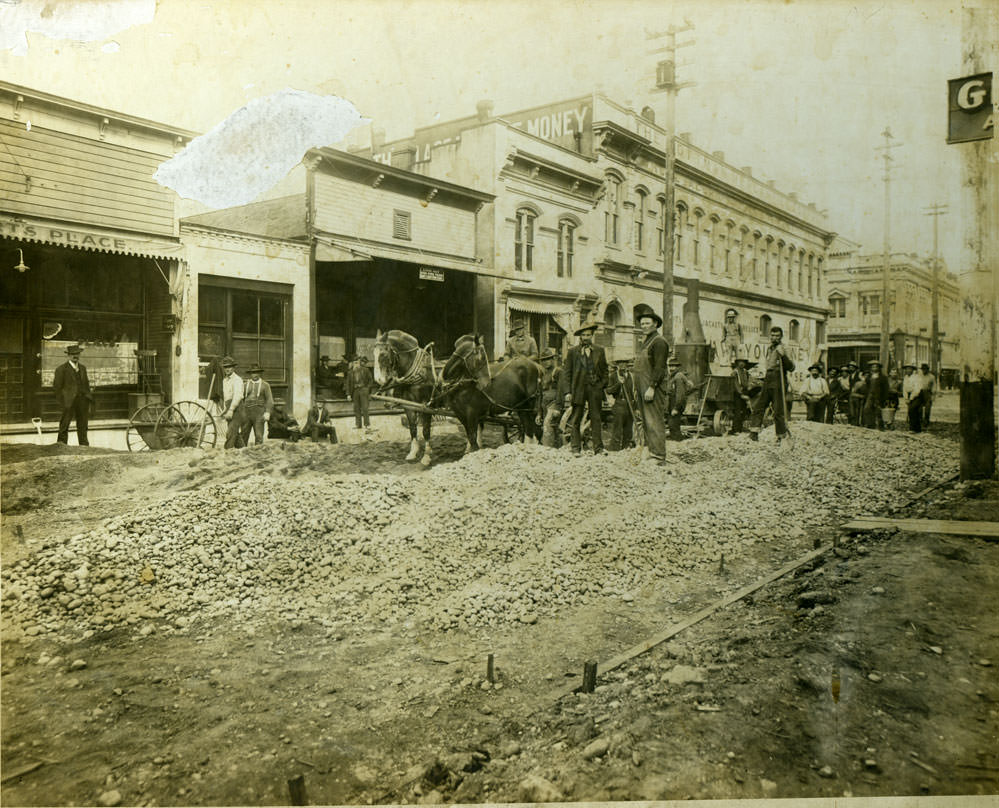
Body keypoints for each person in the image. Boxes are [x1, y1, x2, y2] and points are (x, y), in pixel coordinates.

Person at [632, 304, 670, 462]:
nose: (644, 326)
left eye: (647, 323)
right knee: (647, 421)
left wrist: (652, 387)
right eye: (642, 324)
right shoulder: (647, 341)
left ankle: (659, 455)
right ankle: (652, 451)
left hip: (652, 387)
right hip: (643, 387)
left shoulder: (659, 342)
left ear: (655, 324)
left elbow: (659, 368)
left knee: (654, 420)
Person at [565, 319, 608, 455]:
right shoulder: (573, 352)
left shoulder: (600, 351)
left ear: (592, 335)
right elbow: (567, 373)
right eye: (583, 335)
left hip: (594, 389)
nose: (585, 338)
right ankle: (575, 448)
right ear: (580, 336)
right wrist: (567, 391)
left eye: (588, 335)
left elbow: (605, 371)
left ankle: (599, 448)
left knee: (596, 418)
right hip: (578, 389)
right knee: (576, 418)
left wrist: (601, 386)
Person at [749, 326, 795, 442]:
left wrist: (783, 355)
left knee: (778, 410)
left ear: (781, 337)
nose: (774, 338)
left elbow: (791, 367)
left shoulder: (784, 348)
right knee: (759, 406)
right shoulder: (769, 348)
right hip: (768, 378)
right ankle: (754, 433)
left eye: (777, 336)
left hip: (778, 378)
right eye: (773, 335)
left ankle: (781, 436)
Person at [52, 344, 93, 446]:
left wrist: (87, 396)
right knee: (64, 425)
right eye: (73, 354)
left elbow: (86, 384)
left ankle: (84, 447)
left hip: (82, 401)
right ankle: (61, 446)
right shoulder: (61, 369)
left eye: (77, 354)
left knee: (83, 425)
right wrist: (63, 402)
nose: (76, 356)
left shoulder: (83, 368)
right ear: (68, 355)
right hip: (68, 402)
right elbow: (57, 388)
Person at [236, 364, 274, 446]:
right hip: (246, 413)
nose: (255, 375)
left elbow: (269, 400)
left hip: (259, 414)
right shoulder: (245, 385)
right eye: (253, 373)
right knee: (244, 434)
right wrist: (240, 412)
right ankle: (243, 453)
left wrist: (267, 412)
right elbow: (240, 399)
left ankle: (258, 455)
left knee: (259, 435)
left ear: (260, 373)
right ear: (250, 374)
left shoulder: (265, 385)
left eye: (257, 372)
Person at [606, 358, 636, 451]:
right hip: (619, 403)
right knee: (617, 427)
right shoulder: (613, 376)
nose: (622, 366)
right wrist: (619, 384)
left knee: (628, 427)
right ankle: (615, 448)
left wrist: (636, 407)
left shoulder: (631, 376)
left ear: (627, 365)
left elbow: (635, 392)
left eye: (624, 363)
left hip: (630, 405)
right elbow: (609, 390)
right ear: (617, 365)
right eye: (620, 364)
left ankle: (626, 447)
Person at [537, 349, 563, 446]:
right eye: (543, 360)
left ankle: (548, 449)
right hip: (544, 404)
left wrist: (557, 407)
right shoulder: (542, 373)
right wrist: (539, 413)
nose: (546, 362)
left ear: (553, 359)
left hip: (553, 403)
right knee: (542, 427)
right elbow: (540, 393)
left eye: (548, 359)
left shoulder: (558, 372)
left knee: (547, 425)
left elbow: (561, 391)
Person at [219, 356, 245, 449]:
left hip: (237, 409)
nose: (227, 369)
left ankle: (227, 453)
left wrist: (231, 410)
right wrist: (225, 410)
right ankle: (244, 452)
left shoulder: (237, 380)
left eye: (229, 367)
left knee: (230, 433)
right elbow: (227, 398)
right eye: (225, 367)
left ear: (233, 368)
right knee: (235, 434)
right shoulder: (224, 381)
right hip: (229, 408)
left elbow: (237, 396)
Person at [665, 357, 692, 441]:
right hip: (671, 403)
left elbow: (680, 395)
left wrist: (676, 408)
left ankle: (678, 442)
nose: (671, 368)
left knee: (673, 425)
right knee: (672, 425)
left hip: (675, 403)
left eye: (674, 366)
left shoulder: (678, 377)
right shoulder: (672, 377)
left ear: (677, 367)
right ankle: (676, 441)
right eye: (670, 366)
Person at [731, 356, 761, 434]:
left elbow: (748, 382)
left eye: (744, 362)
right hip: (737, 393)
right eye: (740, 362)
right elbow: (735, 384)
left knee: (744, 411)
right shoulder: (735, 372)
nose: (742, 364)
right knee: (738, 410)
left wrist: (751, 387)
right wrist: (741, 394)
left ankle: (741, 428)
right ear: (737, 363)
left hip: (744, 391)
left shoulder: (745, 372)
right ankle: (736, 429)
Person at [346, 355, 375, 429]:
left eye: (357, 362)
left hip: (363, 390)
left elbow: (371, 380)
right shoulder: (350, 373)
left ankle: (367, 424)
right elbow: (348, 384)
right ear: (353, 363)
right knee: (356, 408)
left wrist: (367, 389)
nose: (356, 364)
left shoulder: (366, 370)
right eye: (354, 363)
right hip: (355, 391)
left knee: (365, 408)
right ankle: (358, 425)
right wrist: (348, 394)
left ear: (359, 363)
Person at [862, 359, 890, 430]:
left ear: (879, 368)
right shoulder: (868, 377)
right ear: (870, 368)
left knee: (878, 411)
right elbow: (867, 387)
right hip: (870, 396)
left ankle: (881, 427)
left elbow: (886, 389)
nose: (874, 368)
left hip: (879, 396)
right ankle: (870, 425)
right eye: (873, 367)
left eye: (876, 367)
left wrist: (885, 398)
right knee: (867, 409)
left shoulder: (883, 377)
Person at [902, 363, 923, 432]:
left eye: (910, 369)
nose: (908, 370)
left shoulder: (917, 377)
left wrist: (911, 398)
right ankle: (915, 428)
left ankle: (914, 428)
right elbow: (904, 388)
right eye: (907, 369)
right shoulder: (905, 377)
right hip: (909, 395)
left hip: (917, 395)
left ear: (912, 370)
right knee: (910, 411)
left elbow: (917, 389)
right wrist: (906, 398)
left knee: (913, 410)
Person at [917, 363, 937, 428]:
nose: (924, 371)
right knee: (919, 408)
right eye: (923, 369)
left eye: (925, 369)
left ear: (928, 370)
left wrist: (933, 396)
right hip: (920, 393)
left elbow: (934, 386)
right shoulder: (919, 376)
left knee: (927, 409)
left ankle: (926, 422)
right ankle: (920, 421)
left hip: (928, 393)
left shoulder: (931, 377)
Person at [847, 361, 865, 426]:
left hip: (858, 394)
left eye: (852, 367)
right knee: (851, 409)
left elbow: (863, 381)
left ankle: (857, 422)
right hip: (851, 394)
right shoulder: (850, 375)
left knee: (857, 409)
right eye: (849, 367)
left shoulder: (859, 374)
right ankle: (852, 422)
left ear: (855, 368)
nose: (850, 369)